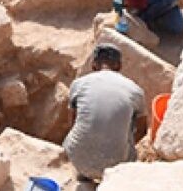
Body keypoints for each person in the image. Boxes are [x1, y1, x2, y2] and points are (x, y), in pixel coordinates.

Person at [63, 44, 147, 183]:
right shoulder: (135, 90)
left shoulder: (78, 84)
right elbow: (142, 129)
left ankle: (84, 175)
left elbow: (71, 121)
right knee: (130, 120)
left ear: (94, 65)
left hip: (78, 159)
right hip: (115, 164)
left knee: (81, 127)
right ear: (119, 66)